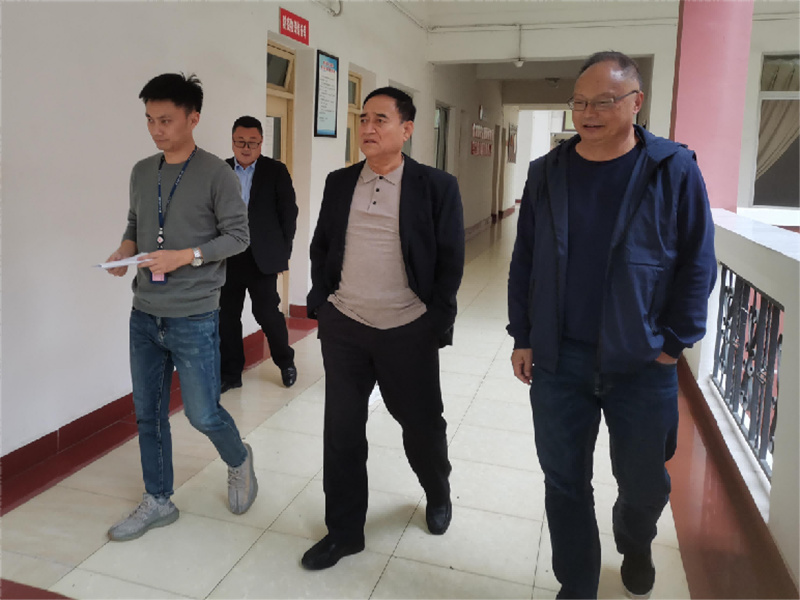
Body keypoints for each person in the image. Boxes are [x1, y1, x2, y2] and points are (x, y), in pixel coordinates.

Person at [507, 51, 716, 599]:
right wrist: (522, 335)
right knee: (564, 479)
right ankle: (577, 582)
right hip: (560, 357)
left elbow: (698, 261)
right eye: (579, 102)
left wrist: (673, 344)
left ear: (636, 102)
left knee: (644, 484)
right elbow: (525, 258)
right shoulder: (547, 172)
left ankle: (635, 540)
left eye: (603, 102)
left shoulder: (673, 169)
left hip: (642, 361)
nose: (587, 114)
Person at [302, 87, 465, 570]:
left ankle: (437, 489)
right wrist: (324, 303)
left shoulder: (436, 186)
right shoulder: (339, 182)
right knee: (342, 433)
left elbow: (451, 261)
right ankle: (344, 532)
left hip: (407, 329)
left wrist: (432, 322)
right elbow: (322, 245)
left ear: (406, 130)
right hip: (346, 326)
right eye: (363, 118)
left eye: (380, 119)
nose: (368, 128)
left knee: (421, 426)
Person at [105, 73, 258, 541]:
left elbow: (238, 237)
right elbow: (136, 222)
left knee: (202, 413)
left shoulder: (217, 174)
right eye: (150, 120)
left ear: (193, 119)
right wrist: (124, 250)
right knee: (148, 413)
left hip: (194, 313)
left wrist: (185, 256)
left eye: (166, 120)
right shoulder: (141, 171)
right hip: (145, 312)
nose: (156, 129)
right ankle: (158, 500)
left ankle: (239, 459)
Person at [219, 116, 299, 393]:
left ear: (261, 143)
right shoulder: (221, 170)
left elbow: (288, 214)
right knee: (226, 317)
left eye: (252, 143)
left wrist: (282, 254)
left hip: (261, 257)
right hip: (228, 256)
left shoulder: (275, 171)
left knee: (267, 313)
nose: (246, 147)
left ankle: (286, 362)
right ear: (232, 142)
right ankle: (231, 373)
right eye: (240, 142)